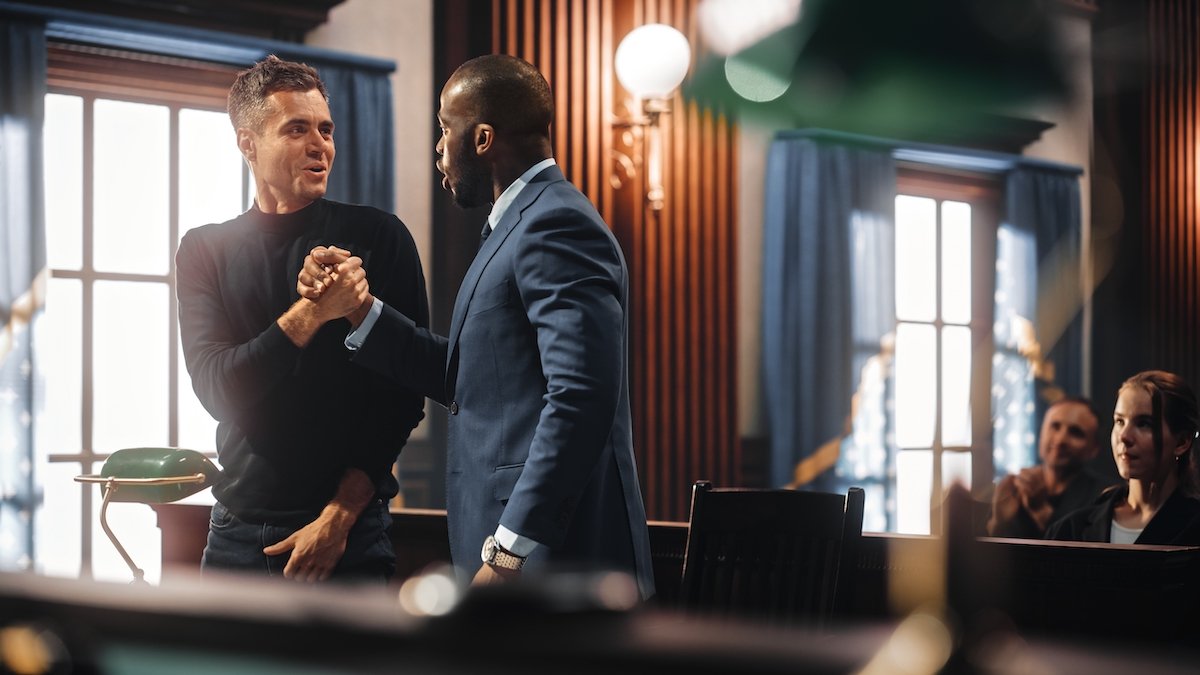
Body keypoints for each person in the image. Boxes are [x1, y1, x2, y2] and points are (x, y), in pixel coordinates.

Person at [297, 54, 655, 599]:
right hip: (514, 557)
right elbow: (469, 377)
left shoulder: (555, 223)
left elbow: (581, 397)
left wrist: (511, 548)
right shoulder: (516, 224)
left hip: (559, 568)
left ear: (482, 138)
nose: (439, 147)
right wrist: (359, 310)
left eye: (445, 128)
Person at [175, 55, 428, 583]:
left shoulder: (380, 237)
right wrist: (312, 314)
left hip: (350, 535)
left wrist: (338, 520)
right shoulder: (204, 249)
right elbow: (220, 390)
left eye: (326, 129)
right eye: (296, 129)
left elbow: (404, 399)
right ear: (248, 143)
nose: (320, 146)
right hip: (236, 536)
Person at [1046, 370, 1200, 544]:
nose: (1124, 436)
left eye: (1144, 424)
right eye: (1120, 421)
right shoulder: (1072, 529)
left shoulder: (1193, 527)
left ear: (1181, 442)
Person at [987, 396, 1115, 538]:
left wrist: (1041, 511)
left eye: (1075, 432)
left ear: (1094, 449)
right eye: (1055, 426)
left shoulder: (1105, 498)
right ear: (1041, 432)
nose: (1060, 440)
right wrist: (999, 522)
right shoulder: (1013, 489)